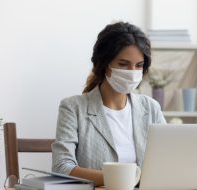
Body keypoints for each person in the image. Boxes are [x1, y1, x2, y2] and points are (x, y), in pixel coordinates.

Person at [52, 22, 166, 186]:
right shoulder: (73, 107)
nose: (132, 71)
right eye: (123, 64)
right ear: (105, 64)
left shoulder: (151, 108)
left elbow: (167, 162)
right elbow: (61, 167)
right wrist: (124, 179)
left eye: (138, 65)